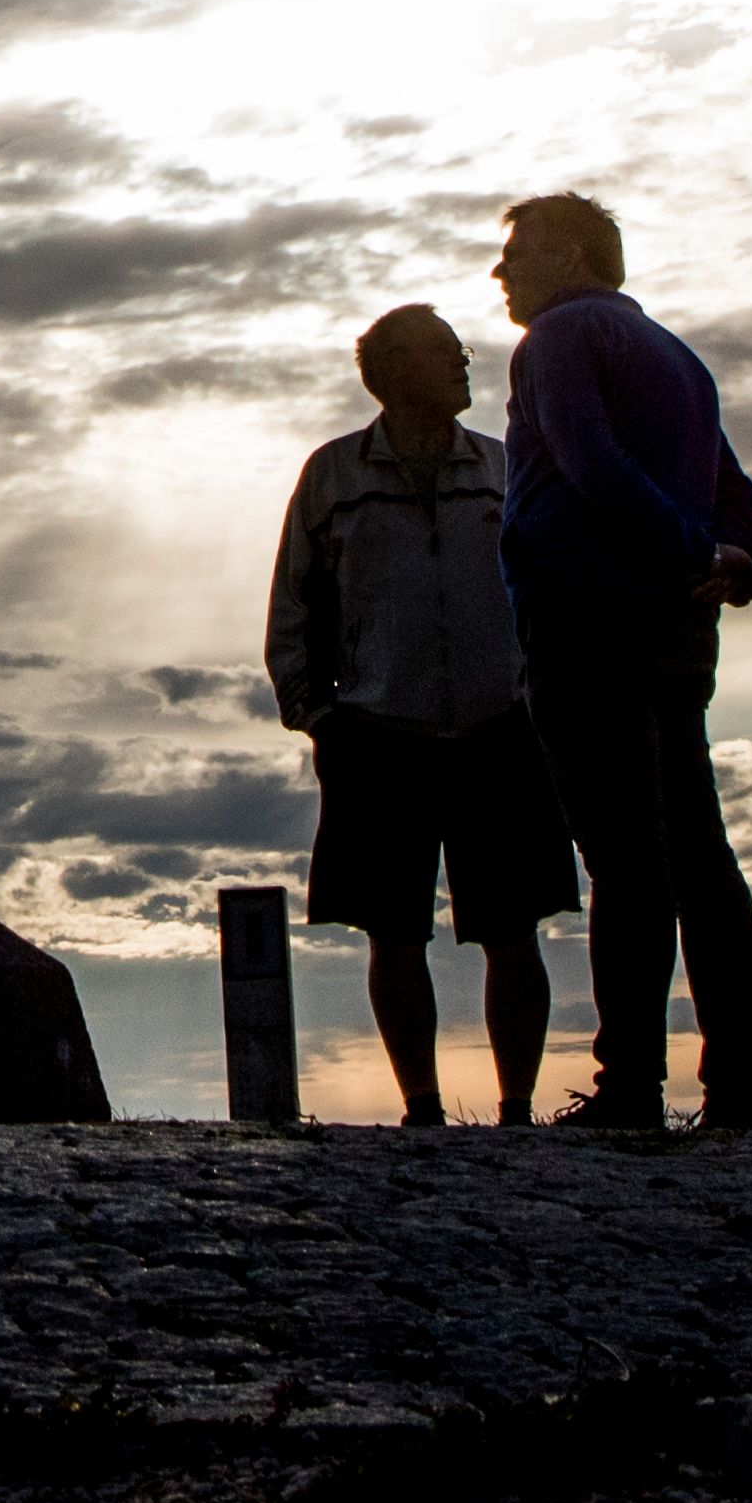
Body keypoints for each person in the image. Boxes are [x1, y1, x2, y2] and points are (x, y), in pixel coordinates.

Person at [490, 191, 752, 1133]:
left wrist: (694, 554)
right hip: (675, 632)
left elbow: (587, 460)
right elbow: (741, 497)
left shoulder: (556, 341)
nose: (502, 271)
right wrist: (723, 557)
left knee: (625, 860)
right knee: (699, 852)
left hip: (586, 619)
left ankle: (630, 1091)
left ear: (572, 254)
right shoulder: (676, 357)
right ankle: (737, 1087)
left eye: (518, 250)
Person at [264, 304, 566, 1122]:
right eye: (443, 352)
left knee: (513, 930)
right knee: (392, 931)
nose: (463, 364)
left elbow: (550, 590)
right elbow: (294, 604)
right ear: (390, 369)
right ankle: (421, 1106)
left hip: (501, 730)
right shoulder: (332, 475)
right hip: (376, 734)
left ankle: (516, 1108)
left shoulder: (506, 468)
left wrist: (541, 698)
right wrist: (317, 715)